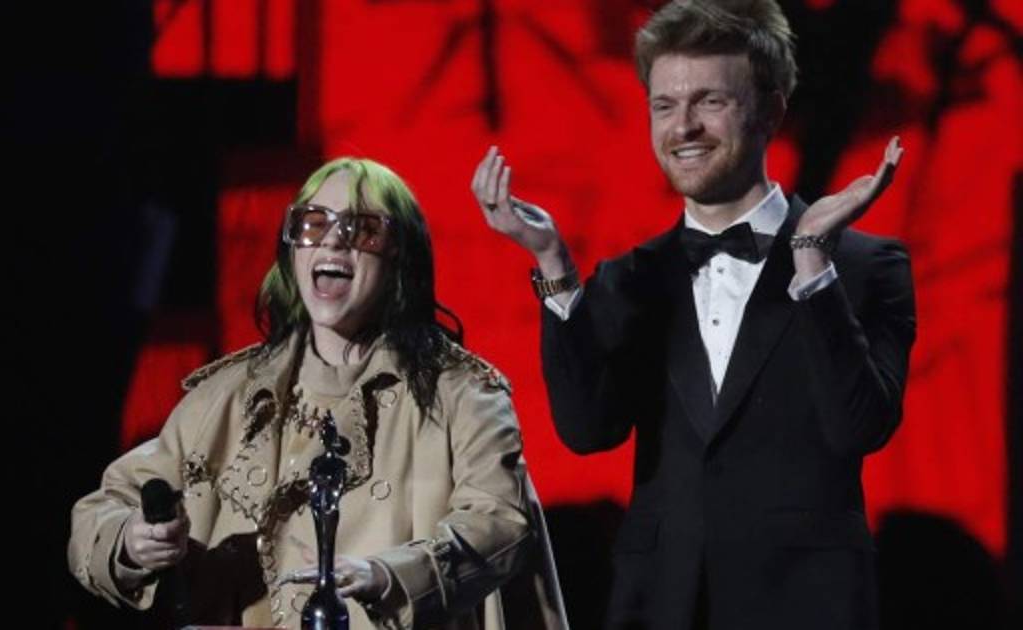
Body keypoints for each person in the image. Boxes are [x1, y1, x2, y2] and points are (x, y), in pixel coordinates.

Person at [471, 1, 915, 629]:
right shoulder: (630, 278)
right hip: (662, 605)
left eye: (710, 101)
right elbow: (588, 430)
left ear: (771, 111)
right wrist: (553, 265)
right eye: (665, 106)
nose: (684, 127)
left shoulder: (867, 266)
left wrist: (812, 260)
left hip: (807, 606)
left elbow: (858, 428)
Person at [70, 157, 568, 630]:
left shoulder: (460, 395)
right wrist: (132, 541)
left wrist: (390, 576)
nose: (332, 241)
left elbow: (500, 522)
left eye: (360, 230)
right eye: (312, 225)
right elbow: (103, 509)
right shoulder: (227, 397)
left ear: (399, 256)